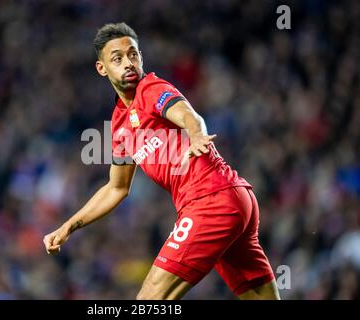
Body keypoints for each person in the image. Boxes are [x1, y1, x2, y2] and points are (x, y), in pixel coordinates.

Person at [43, 22, 280, 300]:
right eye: (117, 59)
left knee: (149, 300)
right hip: (232, 201)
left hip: (210, 200)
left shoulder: (151, 89)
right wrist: (68, 226)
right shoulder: (120, 126)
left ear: (141, 56)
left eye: (133, 54)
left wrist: (196, 136)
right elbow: (116, 188)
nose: (128, 63)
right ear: (102, 68)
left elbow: (189, 116)